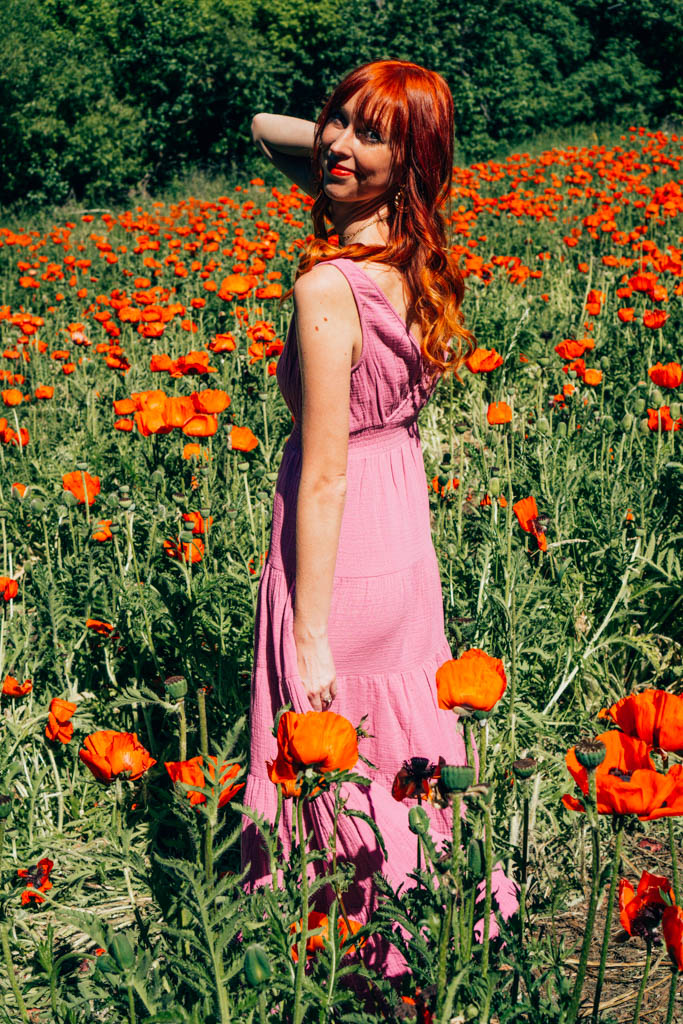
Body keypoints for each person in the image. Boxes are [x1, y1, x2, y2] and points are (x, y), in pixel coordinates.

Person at [241, 60, 475, 979]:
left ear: (409, 161)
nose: (333, 142)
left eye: (369, 134)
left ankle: (348, 956)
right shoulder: (409, 254)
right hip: (403, 527)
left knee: (334, 738)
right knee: (402, 744)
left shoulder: (328, 288)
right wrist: (370, 154)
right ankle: (429, 928)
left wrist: (311, 630)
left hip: (343, 547)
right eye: (335, 121)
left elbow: (326, 477)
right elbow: (270, 125)